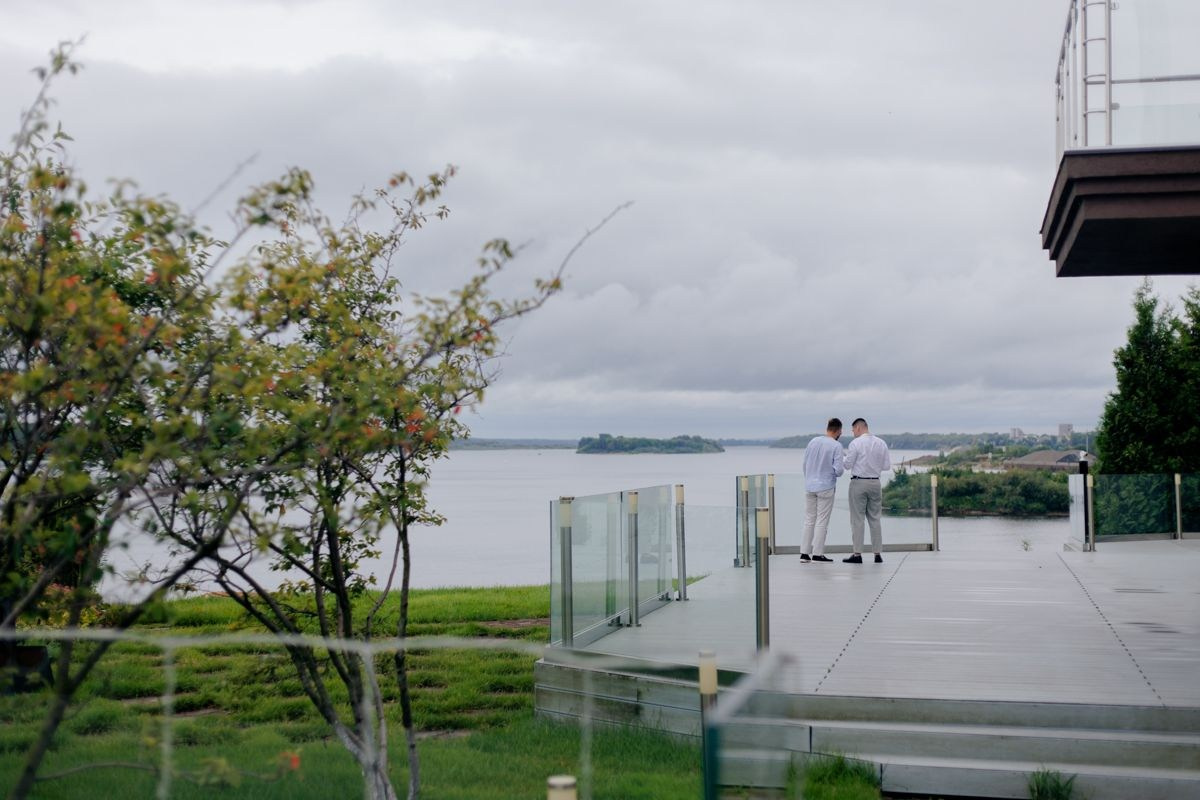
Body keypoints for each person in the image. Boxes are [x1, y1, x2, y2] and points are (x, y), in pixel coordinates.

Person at [842, 417, 891, 564]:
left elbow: (847, 465)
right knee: (875, 518)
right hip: (875, 482)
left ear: (858, 428)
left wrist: (843, 457)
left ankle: (857, 554)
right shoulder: (881, 443)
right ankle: (877, 554)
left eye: (853, 430)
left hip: (859, 482)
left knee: (857, 519)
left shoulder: (855, 443)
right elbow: (887, 466)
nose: (853, 433)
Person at [801, 418, 844, 563]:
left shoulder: (813, 441)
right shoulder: (836, 446)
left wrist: (809, 478)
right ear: (839, 431)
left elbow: (805, 464)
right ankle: (817, 554)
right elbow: (839, 471)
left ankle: (804, 554)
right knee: (822, 521)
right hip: (826, 487)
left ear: (828, 428)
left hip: (809, 486)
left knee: (809, 520)